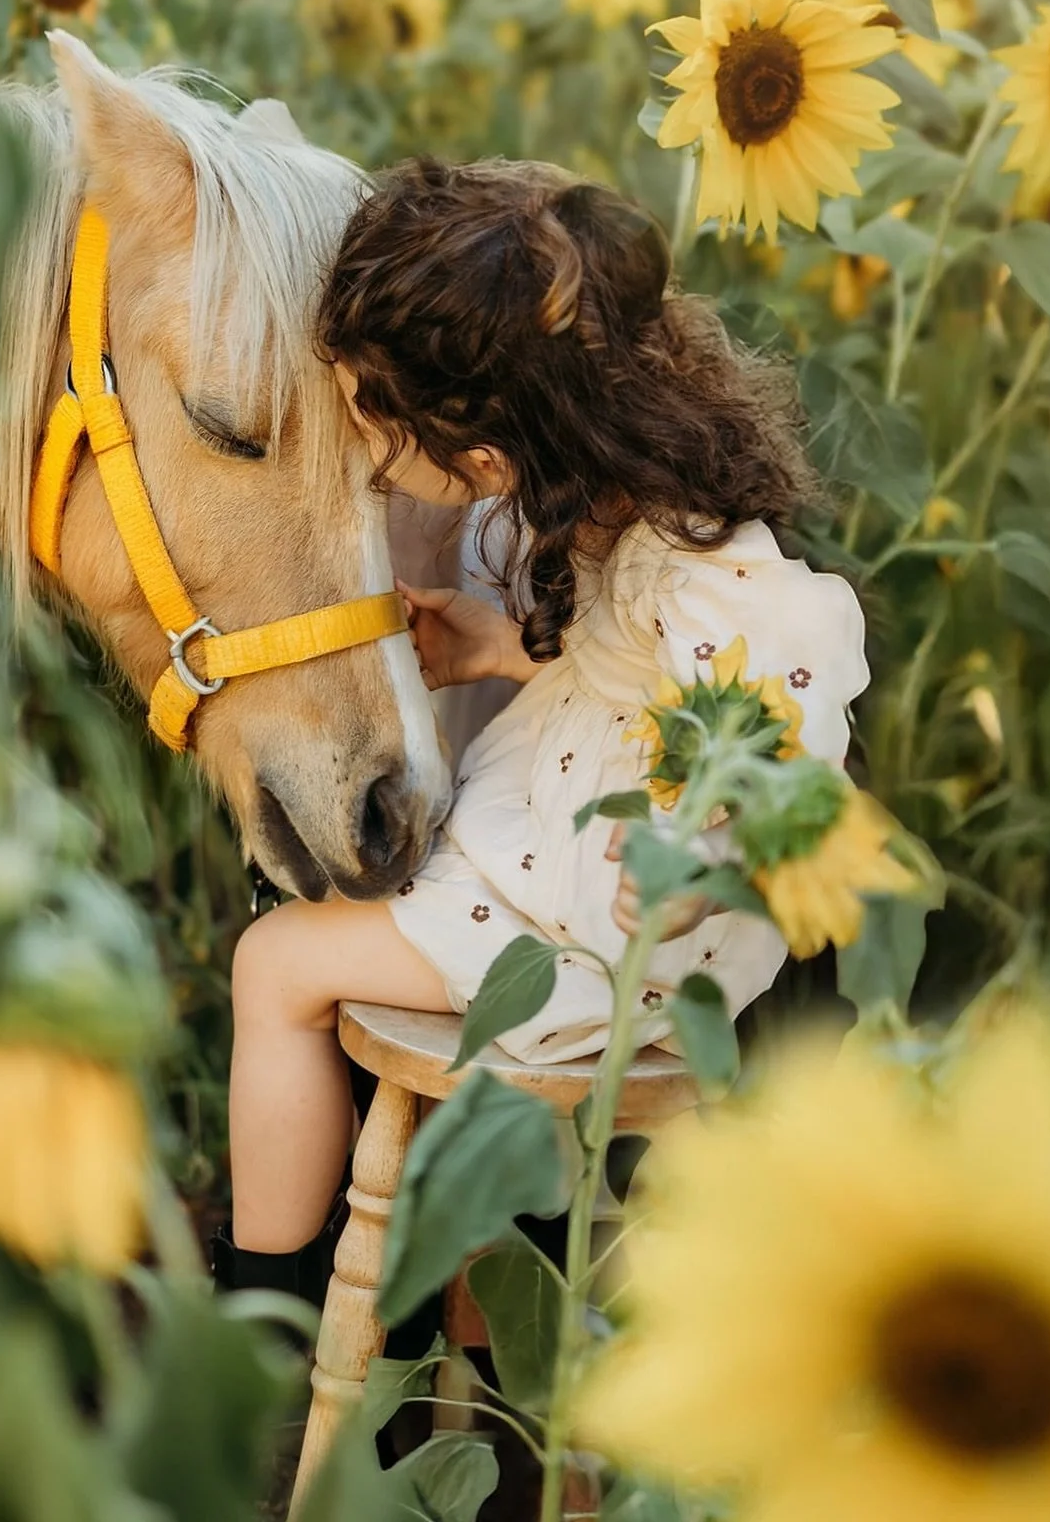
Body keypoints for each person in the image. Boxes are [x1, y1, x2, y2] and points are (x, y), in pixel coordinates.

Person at [219, 157, 868, 1297]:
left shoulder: (720, 576)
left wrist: (702, 851)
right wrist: (489, 645)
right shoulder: (615, 501)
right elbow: (625, 664)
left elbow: (780, 720)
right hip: (559, 837)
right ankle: (388, 1296)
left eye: (379, 415)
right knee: (330, 897)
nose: (364, 442)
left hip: (611, 921)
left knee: (276, 967)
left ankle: (270, 1304)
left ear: (488, 445)